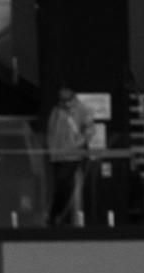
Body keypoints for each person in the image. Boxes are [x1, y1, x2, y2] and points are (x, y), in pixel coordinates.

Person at [45, 86, 94, 226]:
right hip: (57, 155)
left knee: (63, 182)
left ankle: (55, 215)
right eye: (63, 101)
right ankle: (57, 216)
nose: (65, 104)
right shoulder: (56, 111)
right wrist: (51, 149)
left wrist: (80, 142)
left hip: (73, 154)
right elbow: (50, 130)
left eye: (68, 101)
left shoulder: (81, 109)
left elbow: (90, 129)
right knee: (61, 186)